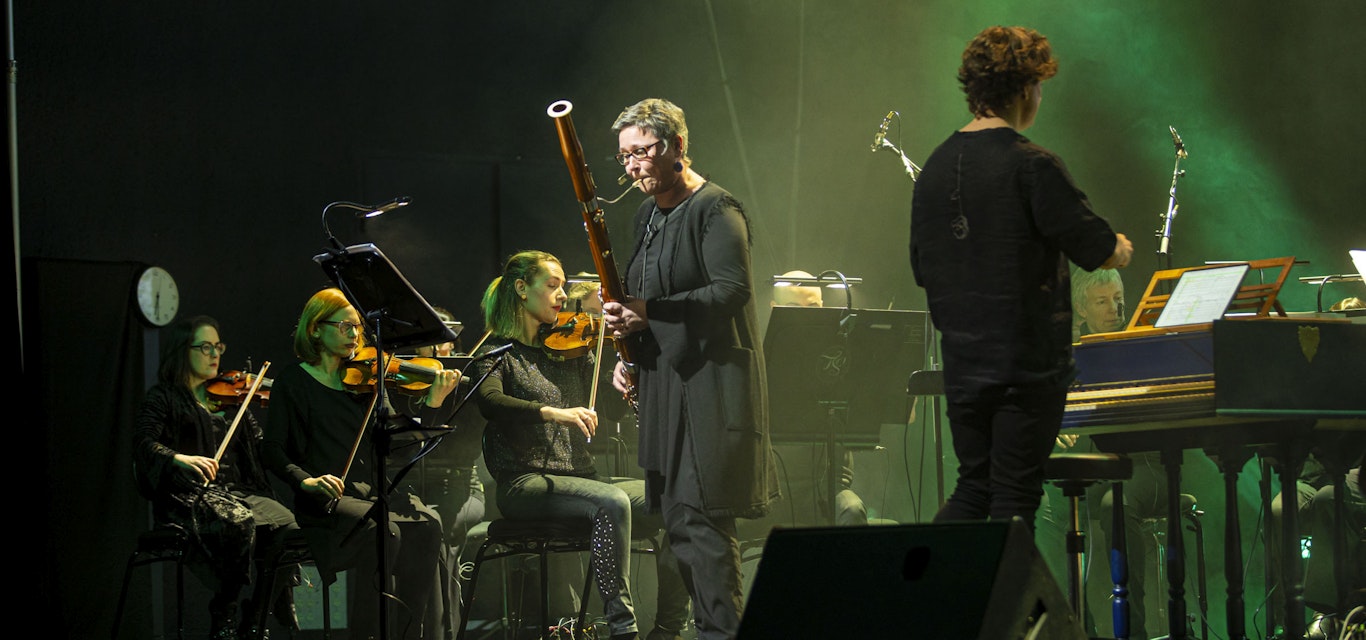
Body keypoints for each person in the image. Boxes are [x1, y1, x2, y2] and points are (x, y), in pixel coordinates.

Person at [908, 26, 1133, 531]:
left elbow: (922, 268)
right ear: (1025, 88)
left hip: (964, 370)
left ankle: (937, 602)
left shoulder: (935, 171)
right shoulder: (1032, 165)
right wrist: (1119, 248)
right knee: (1014, 500)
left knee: (973, 489)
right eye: (1038, 85)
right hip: (1025, 371)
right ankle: (1012, 610)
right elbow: (1095, 247)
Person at [603, 98, 780, 640]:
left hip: (711, 390)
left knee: (703, 526)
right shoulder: (646, 215)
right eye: (625, 157)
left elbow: (731, 291)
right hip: (666, 386)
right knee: (678, 525)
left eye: (643, 152)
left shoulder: (716, 208)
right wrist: (627, 352)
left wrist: (646, 315)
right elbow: (646, 296)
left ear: (677, 146)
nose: (633, 167)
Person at [469, 250, 689, 640]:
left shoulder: (569, 350)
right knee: (612, 501)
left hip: (580, 478)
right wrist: (554, 412)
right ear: (521, 289)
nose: (560, 295)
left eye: (561, 287)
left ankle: (668, 631)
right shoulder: (497, 353)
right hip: (525, 484)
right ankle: (624, 630)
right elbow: (490, 402)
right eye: (551, 286)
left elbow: (607, 407)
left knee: (677, 498)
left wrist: (625, 376)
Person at [261, 287, 460, 640]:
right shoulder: (294, 382)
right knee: (384, 531)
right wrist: (305, 481)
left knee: (428, 524)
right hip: (324, 499)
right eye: (344, 327)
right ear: (315, 329)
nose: (355, 335)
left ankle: (408, 633)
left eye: (357, 328)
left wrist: (432, 404)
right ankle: (367, 634)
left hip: (372, 492)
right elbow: (273, 450)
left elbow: (397, 448)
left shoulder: (368, 381)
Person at [133, 315, 299, 639]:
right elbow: (143, 442)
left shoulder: (234, 399)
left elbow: (262, 447)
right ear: (183, 350)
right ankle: (224, 613)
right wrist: (178, 458)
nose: (214, 354)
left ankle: (255, 620)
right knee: (238, 523)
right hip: (190, 497)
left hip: (239, 493)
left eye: (218, 346)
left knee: (291, 530)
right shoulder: (164, 397)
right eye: (205, 347)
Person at [770, 270, 869, 527]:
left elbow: (892, 410)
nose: (805, 316)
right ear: (774, 307)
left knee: (852, 510)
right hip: (771, 491)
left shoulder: (843, 360)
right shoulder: (763, 357)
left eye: (813, 307)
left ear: (824, 306)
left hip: (827, 489)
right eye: (793, 307)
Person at [1071, 267, 1126, 340]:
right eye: (1102, 302)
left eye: (1118, 298)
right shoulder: (1075, 349)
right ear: (1081, 309)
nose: (1114, 309)